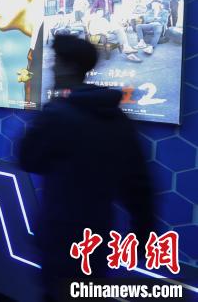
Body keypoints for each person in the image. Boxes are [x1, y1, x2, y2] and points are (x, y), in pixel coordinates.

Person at [17, 35, 153, 301]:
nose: (52, 68)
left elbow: (27, 158)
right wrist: (142, 235)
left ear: (69, 66)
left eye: (56, 61)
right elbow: (138, 185)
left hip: (60, 238)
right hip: (98, 237)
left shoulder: (58, 115)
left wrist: (45, 113)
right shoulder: (117, 118)